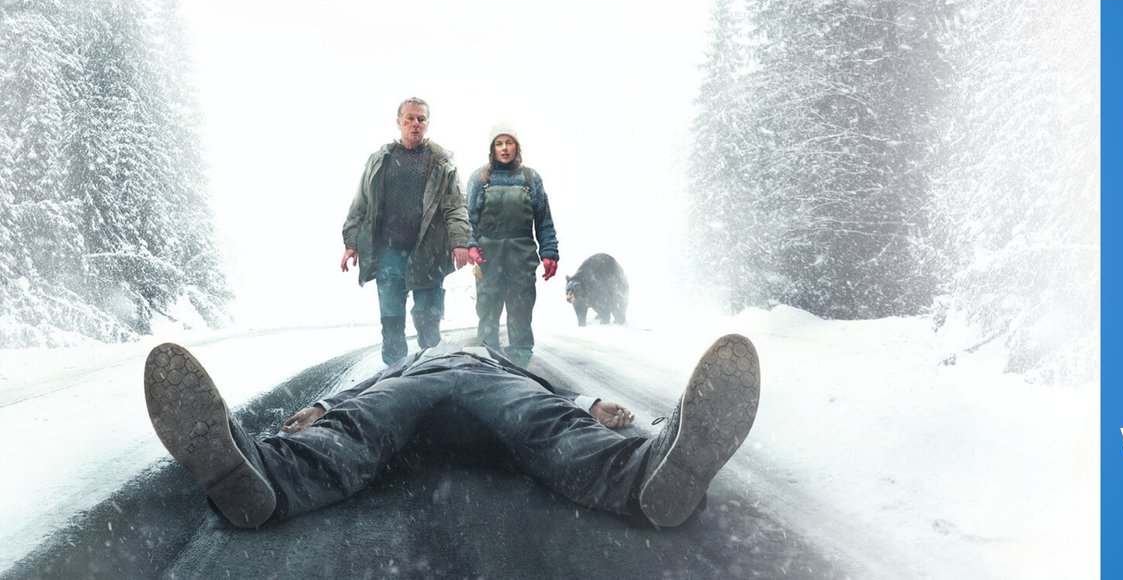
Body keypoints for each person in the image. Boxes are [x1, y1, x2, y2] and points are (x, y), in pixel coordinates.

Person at [142, 334, 760, 529]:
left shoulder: (494, 360)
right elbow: (367, 394)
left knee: (541, 420)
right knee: (370, 417)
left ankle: (652, 474)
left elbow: (551, 397)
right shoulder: (417, 359)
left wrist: (592, 403)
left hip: (490, 412)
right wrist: (324, 410)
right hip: (421, 414)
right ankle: (259, 474)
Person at [340, 98, 471, 364]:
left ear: (427, 123)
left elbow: (455, 206)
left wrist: (459, 241)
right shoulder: (381, 160)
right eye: (409, 118)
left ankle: (431, 373)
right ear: (398, 121)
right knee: (391, 322)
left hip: (429, 252)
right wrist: (351, 242)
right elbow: (361, 203)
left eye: (420, 119)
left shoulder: (442, 162)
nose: (415, 124)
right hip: (389, 252)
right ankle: (393, 376)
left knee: (428, 322)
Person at [466, 123, 559, 366]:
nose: (504, 148)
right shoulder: (479, 179)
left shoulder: (530, 178)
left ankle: (520, 363)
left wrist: (550, 252)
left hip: (521, 256)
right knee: (487, 310)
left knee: (520, 310)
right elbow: (469, 219)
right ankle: (487, 362)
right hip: (489, 257)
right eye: (499, 143)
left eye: (509, 143)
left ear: (516, 146)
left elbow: (544, 220)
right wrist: (471, 245)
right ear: (492, 148)